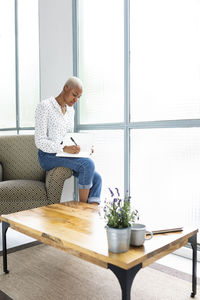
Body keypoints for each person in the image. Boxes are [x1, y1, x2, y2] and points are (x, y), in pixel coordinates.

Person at [34, 76, 102, 205]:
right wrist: (63, 149)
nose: (75, 100)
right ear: (65, 88)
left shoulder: (71, 111)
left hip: (64, 153)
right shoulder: (45, 107)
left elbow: (69, 137)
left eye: (78, 97)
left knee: (97, 178)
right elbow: (40, 141)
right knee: (88, 165)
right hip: (47, 156)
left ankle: (90, 217)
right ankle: (83, 210)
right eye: (74, 95)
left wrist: (85, 149)